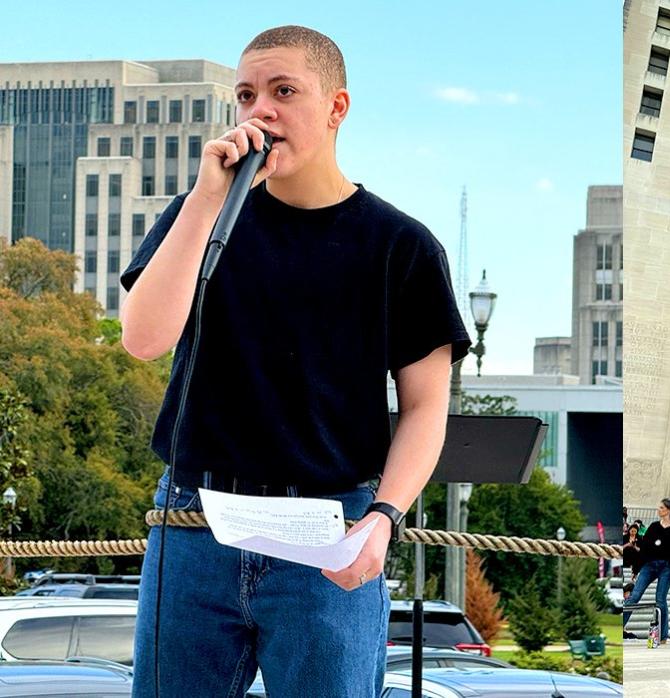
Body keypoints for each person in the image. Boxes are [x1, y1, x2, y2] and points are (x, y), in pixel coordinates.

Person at [119, 26, 470, 697]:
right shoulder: (200, 216)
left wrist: (385, 517)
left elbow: (426, 408)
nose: (261, 109)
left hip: (330, 529)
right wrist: (204, 200)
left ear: (336, 107)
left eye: (284, 91)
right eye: (246, 94)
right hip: (196, 520)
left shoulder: (401, 246)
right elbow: (142, 339)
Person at [623, 499, 670, 645]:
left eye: (661, 507)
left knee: (660, 599)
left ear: (669, 510)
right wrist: (636, 568)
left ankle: (663, 635)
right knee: (634, 596)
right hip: (650, 564)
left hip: (667, 566)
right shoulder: (653, 526)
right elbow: (644, 548)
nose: (658, 510)